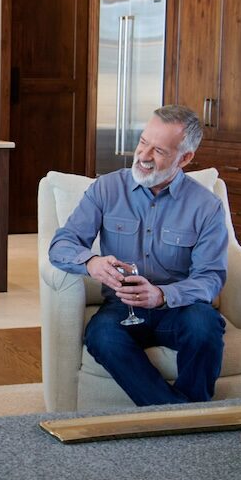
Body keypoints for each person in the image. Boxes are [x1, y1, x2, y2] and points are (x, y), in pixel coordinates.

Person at [48, 104, 228, 406]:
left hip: (180, 308)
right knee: (101, 337)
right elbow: (61, 245)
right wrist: (91, 262)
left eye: (159, 150)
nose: (143, 156)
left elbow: (210, 278)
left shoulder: (206, 206)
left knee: (205, 327)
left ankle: (181, 418)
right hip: (122, 307)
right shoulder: (106, 189)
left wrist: (161, 294)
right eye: (143, 142)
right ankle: (180, 417)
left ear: (185, 158)